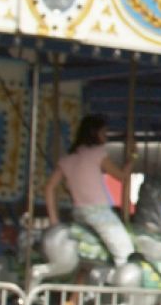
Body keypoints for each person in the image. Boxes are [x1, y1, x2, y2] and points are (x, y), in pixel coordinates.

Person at [44, 114, 135, 266]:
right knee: (126, 252)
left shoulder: (67, 159)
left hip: (78, 213)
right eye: (104, 133)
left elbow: (49, 188)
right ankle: (122, 285)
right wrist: (133, 156)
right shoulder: (97, 153)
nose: (106, 137)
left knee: (85, 263)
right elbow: (122, 176)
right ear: (94, 133)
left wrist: (54, 221)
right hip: (99, 213)